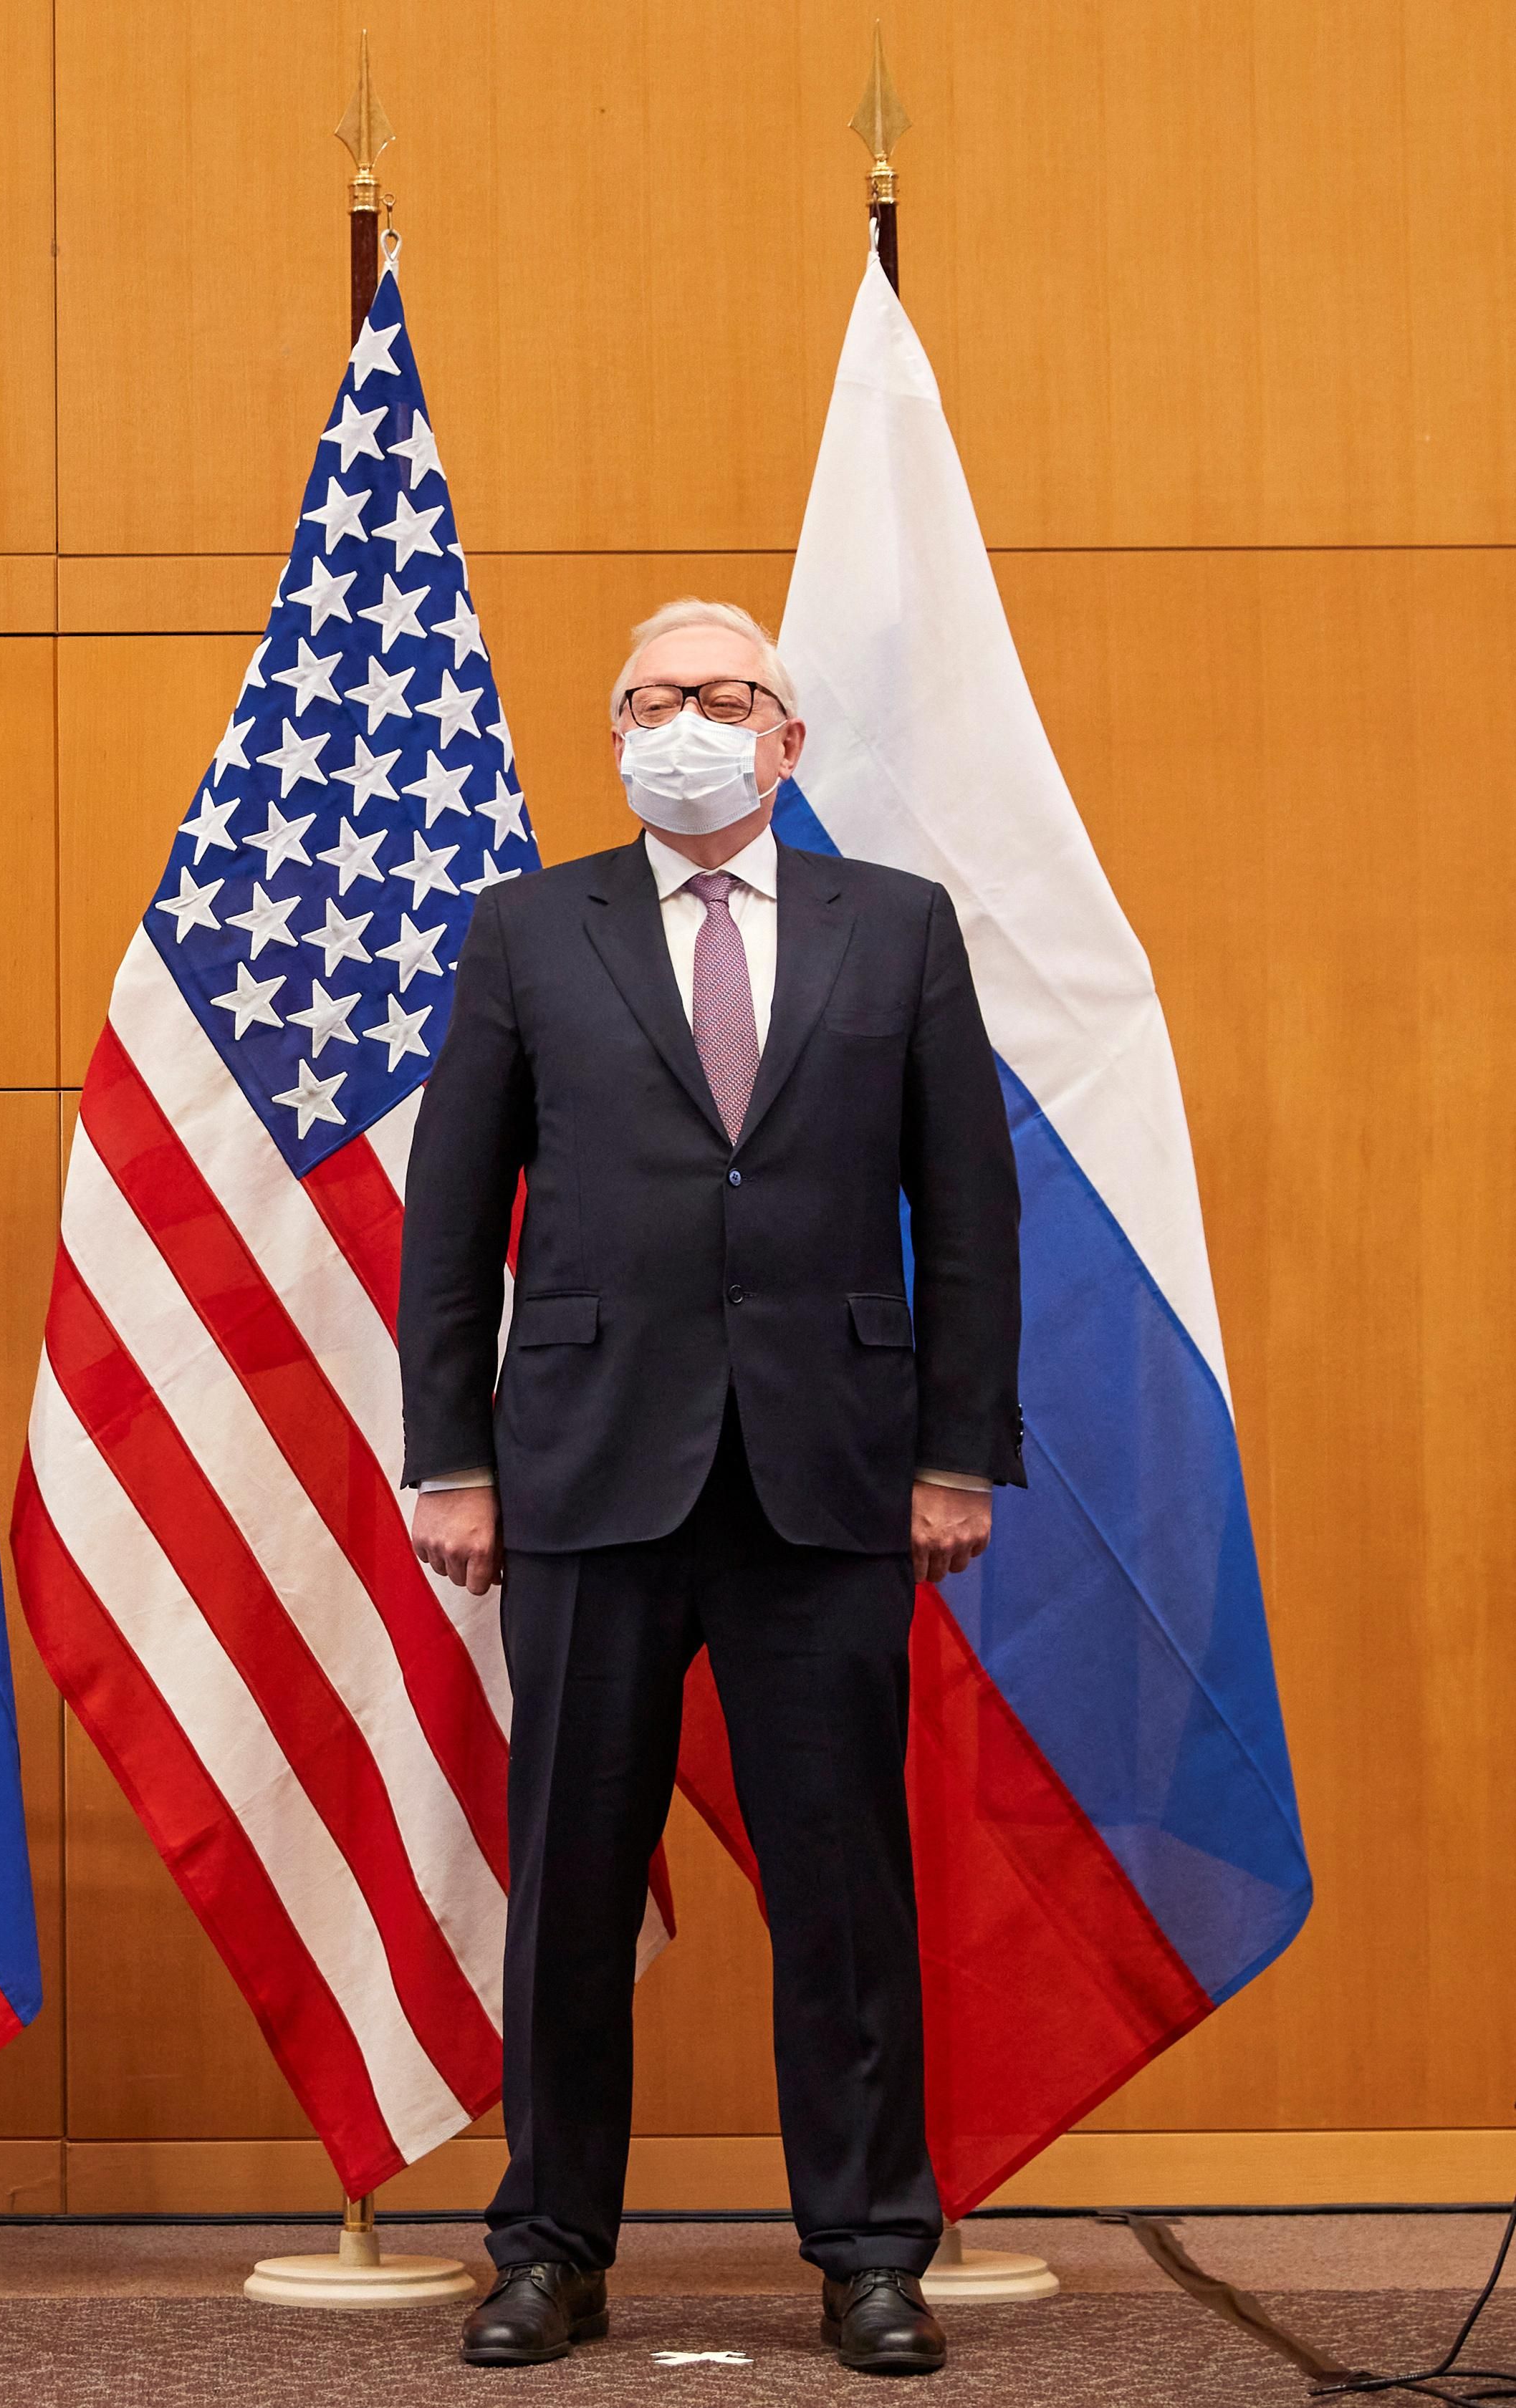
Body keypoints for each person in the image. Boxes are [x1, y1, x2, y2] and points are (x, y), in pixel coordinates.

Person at [400, 601, 1021, 2378]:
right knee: (571, 1883)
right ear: (614, 733)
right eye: (658, 697)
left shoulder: (895, 929)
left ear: (786, 739)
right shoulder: (529, 927)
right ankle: (549, 2248)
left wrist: (957, 1447)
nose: (692, 718)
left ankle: (871, 2252)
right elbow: (452, 1220)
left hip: (829, 1477)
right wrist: (452, 1455)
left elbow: (969, 1210)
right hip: (586, 1476)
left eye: (726, 695)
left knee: (841, 1884)